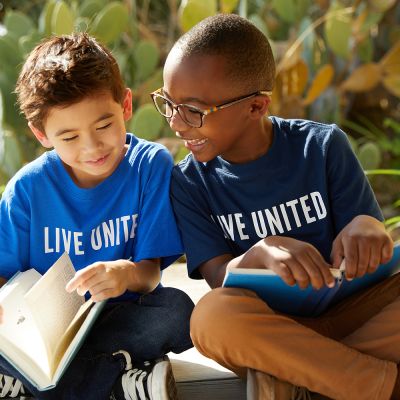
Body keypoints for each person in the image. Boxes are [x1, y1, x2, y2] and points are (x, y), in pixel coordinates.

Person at [149, 13, 400, 400]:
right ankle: (381, 385)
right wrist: (256, 254)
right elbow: (219, 277)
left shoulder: (322, 147)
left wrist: (367, 226)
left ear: (256, 107)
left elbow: (364, 234)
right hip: (267, 328)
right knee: (210, 319)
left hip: (352, 315)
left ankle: (292, 378)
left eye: (194, 110)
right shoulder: (188, 182)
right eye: (168, 103)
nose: (177, 124)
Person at [0, 33, 194, 400]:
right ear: (41, 134)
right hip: (42, 337)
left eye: (103, 125)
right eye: (69, 137)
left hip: (118, 316)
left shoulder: (149, 167)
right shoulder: (27, 189)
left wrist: (125, 274)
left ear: (125, 105)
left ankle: (31, 388)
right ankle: (119, 383)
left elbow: (150, 275)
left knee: (177, 311)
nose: (92, 147)